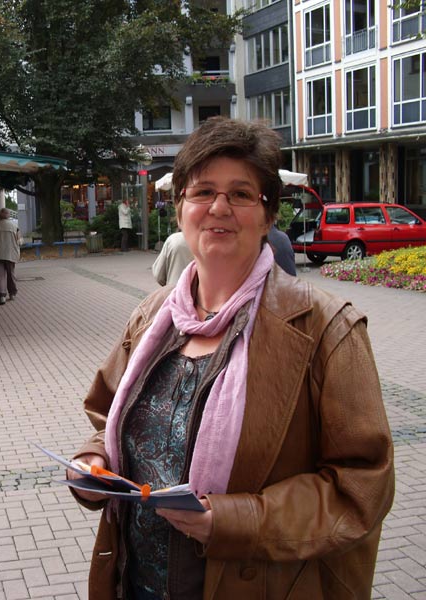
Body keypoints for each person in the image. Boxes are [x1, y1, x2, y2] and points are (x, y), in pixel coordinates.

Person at [68, 117, 394, 599]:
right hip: (135, 584)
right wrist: (94, 460)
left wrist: (236, 521)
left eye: (241, 194)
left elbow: (363, 486)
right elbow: (109, 416)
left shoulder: (326, 328)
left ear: (267, 216)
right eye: (202, 192)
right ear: (179, 209)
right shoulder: (154, 316)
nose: (219, 207)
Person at [0, 208, 20, 305]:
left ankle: (1, 296)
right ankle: (12, 293)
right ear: (9, 215)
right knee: (11, 274)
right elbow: (20, 241)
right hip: (11, 254)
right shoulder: (15, 226)